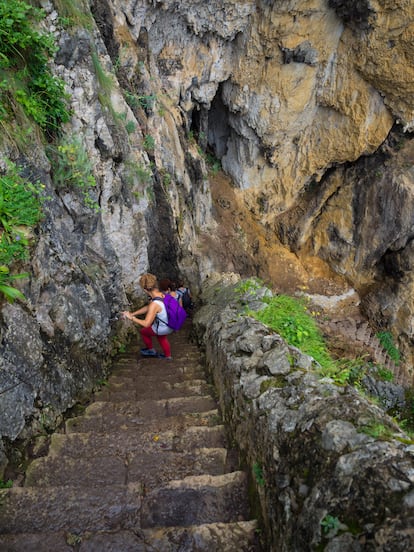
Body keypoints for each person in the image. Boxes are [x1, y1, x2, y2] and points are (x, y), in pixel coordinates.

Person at [122, 273, 172, 359]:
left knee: (144, 332)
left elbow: (146, 323)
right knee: (161, 337)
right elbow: (148, 308)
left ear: (145, 290)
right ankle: (168, 356)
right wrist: (133, 313)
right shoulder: (163, 295)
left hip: (162, 328)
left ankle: (150, 350)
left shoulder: (154, 304)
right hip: (169, 325)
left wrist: (132, 318)